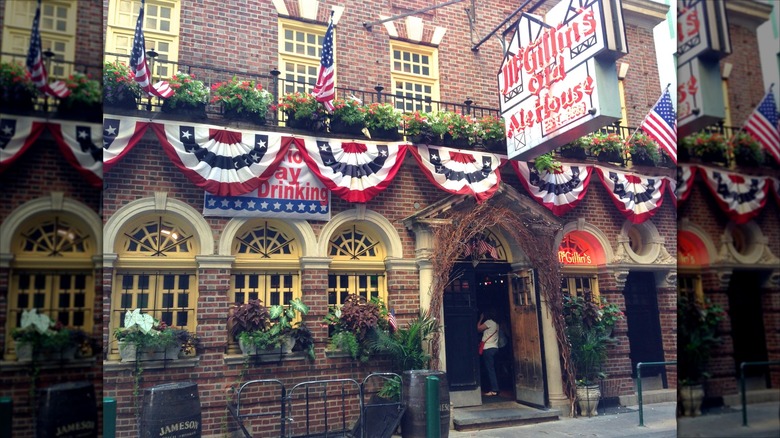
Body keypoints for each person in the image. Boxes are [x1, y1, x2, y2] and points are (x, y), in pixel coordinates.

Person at [477, 309, 500, 396]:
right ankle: (495, 387)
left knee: (490, 369)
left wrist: (480, 319)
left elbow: (478, 329)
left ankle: (494, 389)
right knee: (493, 369)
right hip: (495, 347)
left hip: (488, 348)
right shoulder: (496, 324)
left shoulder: (489, 322)